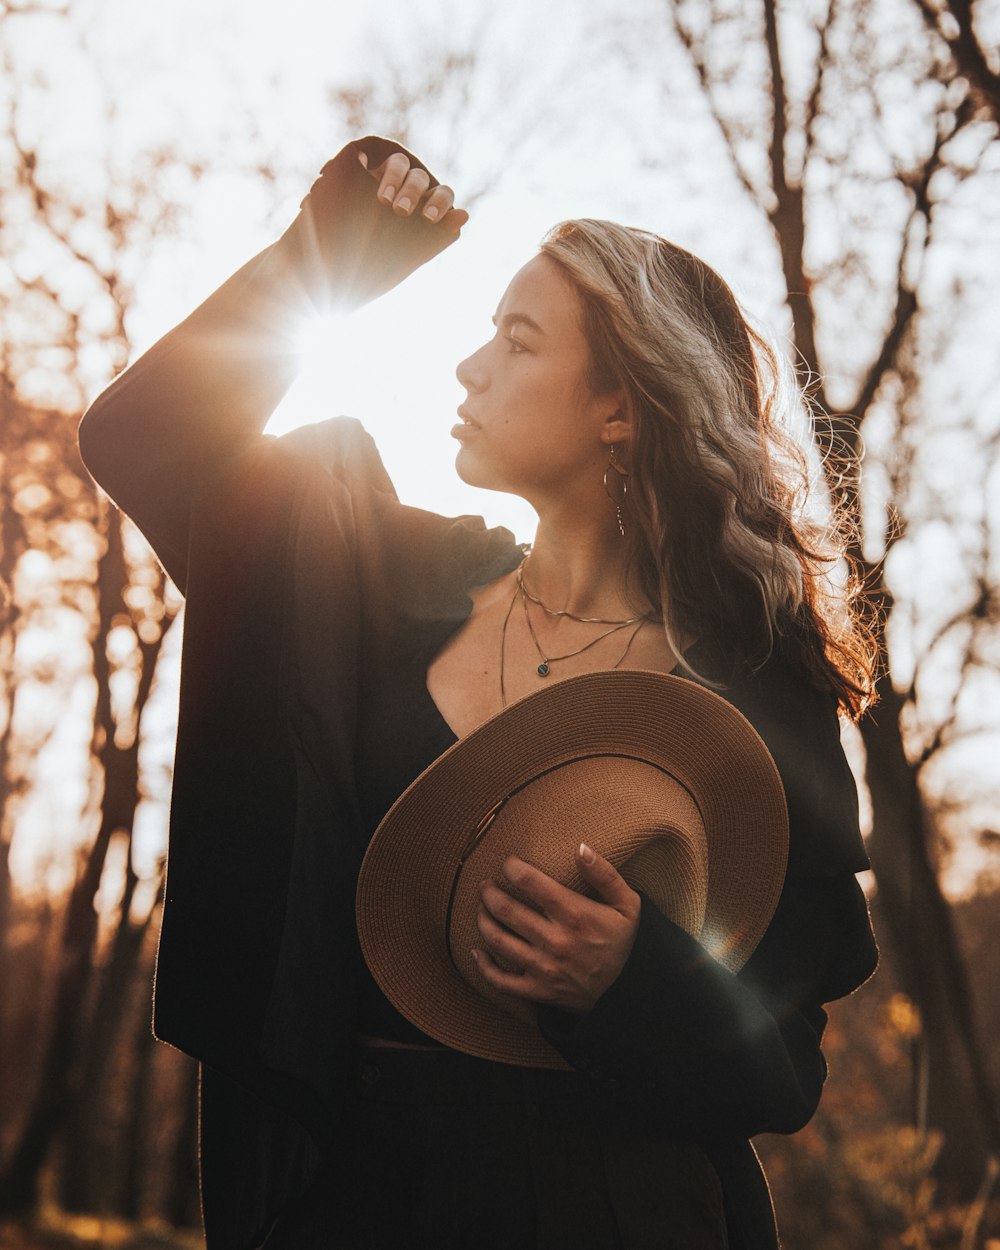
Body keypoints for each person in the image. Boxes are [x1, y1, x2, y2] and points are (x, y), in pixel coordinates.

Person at [78, 136, 878, 1250]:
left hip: (624, 1202)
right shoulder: (375, 581)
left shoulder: (757, 686)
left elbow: (785, 1063)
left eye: (516, 340)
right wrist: (327, 257)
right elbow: (143, 439)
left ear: (618, 409)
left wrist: (634, 980)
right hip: (346, 1188)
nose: (469, 368)